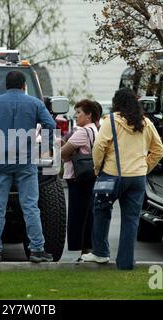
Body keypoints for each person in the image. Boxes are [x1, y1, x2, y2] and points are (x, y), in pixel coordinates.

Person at [0, 70, 56, 263]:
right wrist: (44, 148)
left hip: (0, 162)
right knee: (30, 207)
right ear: (24, 85)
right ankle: (37, 250)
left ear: (6, 85)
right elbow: (50, 125)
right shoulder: (35, 103)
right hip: (25, 161)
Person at [82, 87, 163, 270]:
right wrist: (145, 167)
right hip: (137, 178)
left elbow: (99, 146)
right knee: (131, 219)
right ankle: (125, 263)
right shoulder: (145, 123)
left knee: (101, 211)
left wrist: (97, 168)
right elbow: (159, 150)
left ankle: (101, 253)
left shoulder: (111, 121)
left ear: (116, 103)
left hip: (112, 175)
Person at [61, 99, 100, 260]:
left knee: (78, 214)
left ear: (89, 115)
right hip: (89, 176)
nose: (76, 116)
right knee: (88, 213)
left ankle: (84, 248)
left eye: (79, 113)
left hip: (78, 177)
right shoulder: (95, 130)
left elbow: (63, 153)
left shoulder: (83, 132)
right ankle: (87, 249)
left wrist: (62, 145)